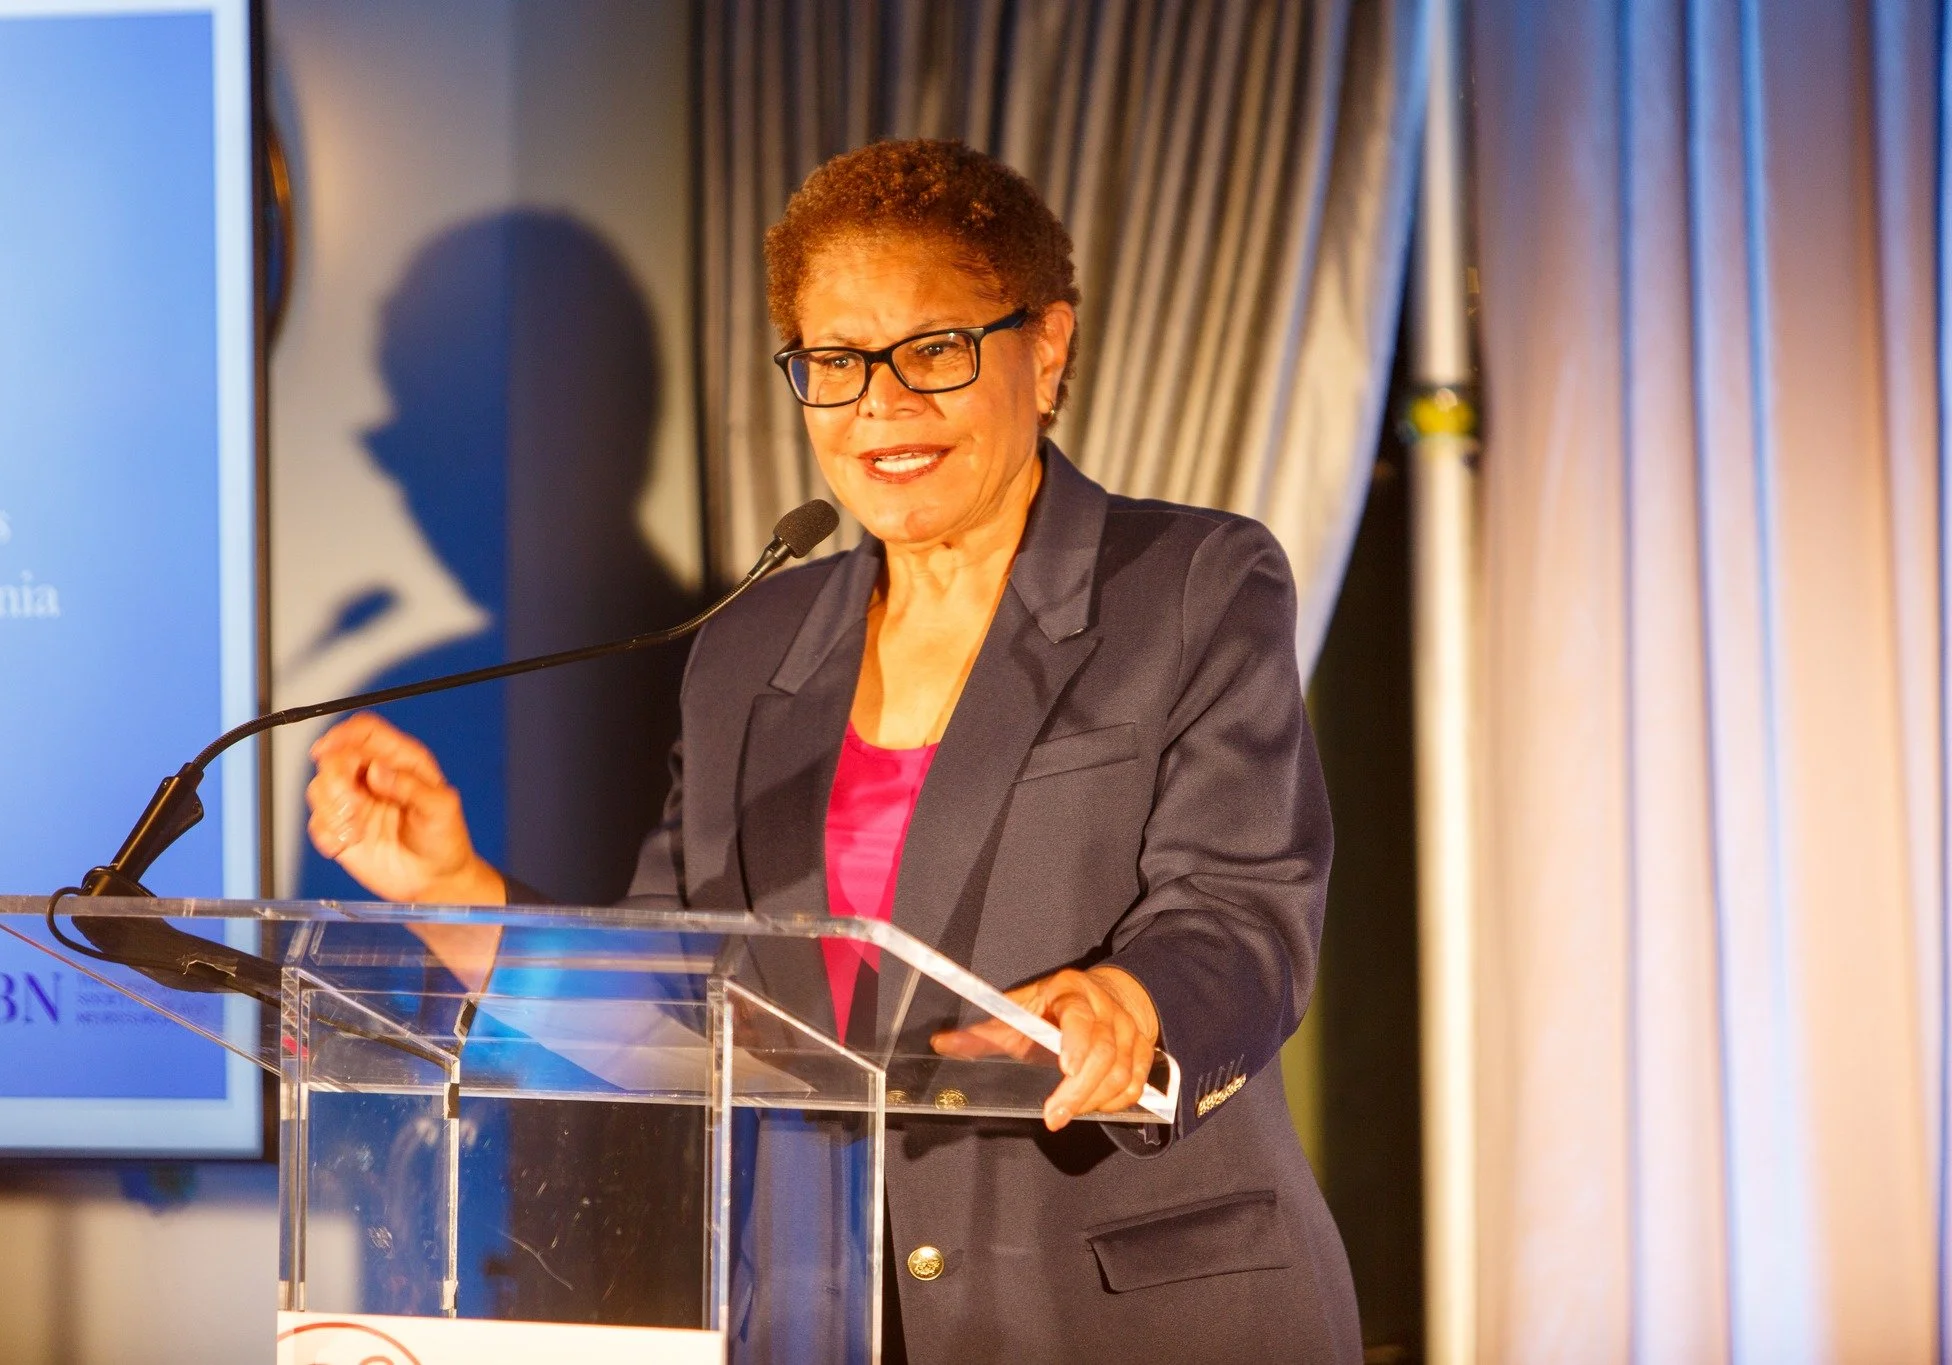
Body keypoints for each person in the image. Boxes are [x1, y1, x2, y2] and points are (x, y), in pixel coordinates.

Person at [306, 139, 1359, 1363]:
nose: (882, 405)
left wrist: (1128, 1001)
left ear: (1048, 348)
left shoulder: (1186, 583)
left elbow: (1240, 905)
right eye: (836, 363)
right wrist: (448, 888)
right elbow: (673, 999)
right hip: (828, 1320)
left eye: (934, 350)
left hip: (1131, 1314)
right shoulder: (750, 650)